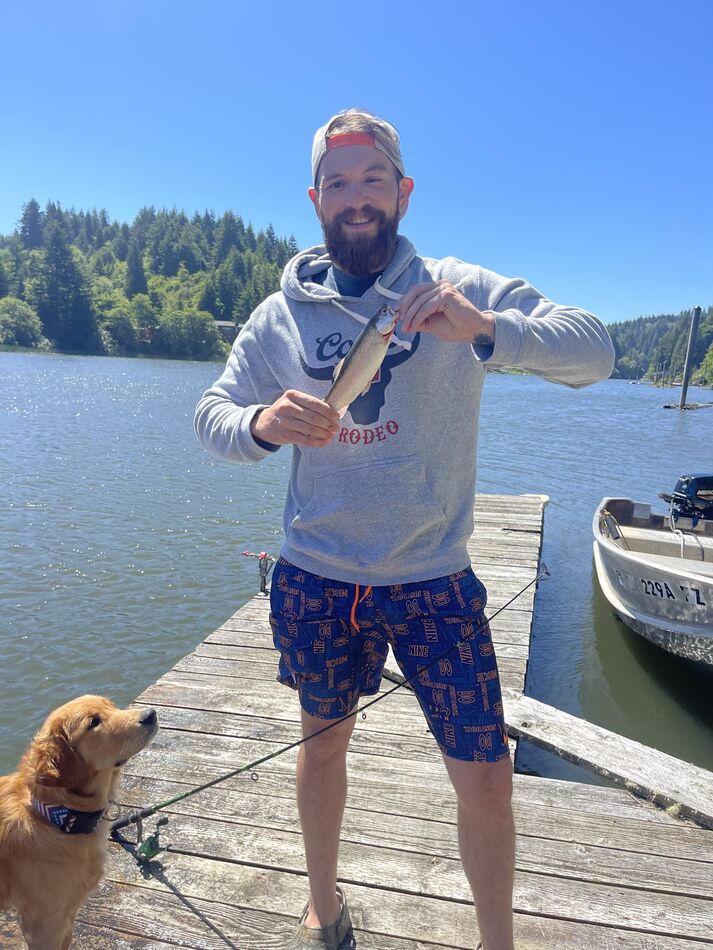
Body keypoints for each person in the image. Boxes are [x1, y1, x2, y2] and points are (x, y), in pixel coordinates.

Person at [195, 109, 615, 950]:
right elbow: (210, 417)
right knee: (320, 751)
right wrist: (264, 424)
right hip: (316, 577)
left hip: (433, 580)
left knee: (489, 780)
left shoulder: (452, 285)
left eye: (373, 179)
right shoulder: (277, 317)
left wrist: (489, 329)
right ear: (316, 198)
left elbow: (594, 351)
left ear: (404, 190)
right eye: (339, 183)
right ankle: (323, 905)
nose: (357, 198)